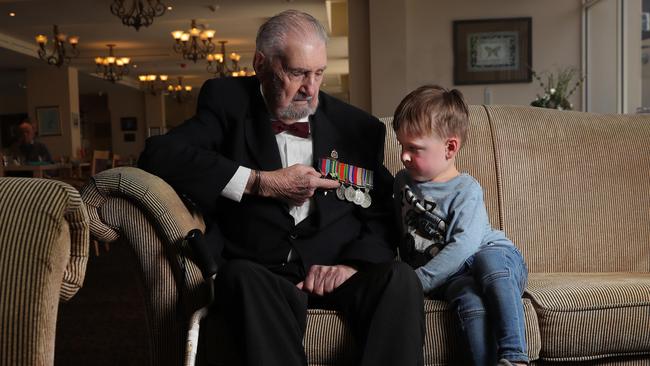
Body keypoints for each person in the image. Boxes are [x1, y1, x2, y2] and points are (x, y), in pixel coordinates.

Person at [138, 10, 425, 366]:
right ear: (261, 63)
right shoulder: (227, 102)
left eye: (318, 73)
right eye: (297, 73)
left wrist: (352, 266)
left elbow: (382, 210)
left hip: (336, 272)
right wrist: (259, 183)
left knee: (400, 278)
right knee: (239, 277)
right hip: (260, 274)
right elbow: (158, 155)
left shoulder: (357, 127)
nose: (311, 88)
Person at [392, 85, 529, 366]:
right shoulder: (402, 183)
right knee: (469, 300)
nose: (404, 156)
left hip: (491, 255)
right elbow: (397, 232)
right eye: (401, 146)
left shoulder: (466, 189)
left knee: (488, 263)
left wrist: (420, 280)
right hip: (454, 278)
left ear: (450, 147)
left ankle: (515, 357)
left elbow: (464, 246)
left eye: (414, 148)